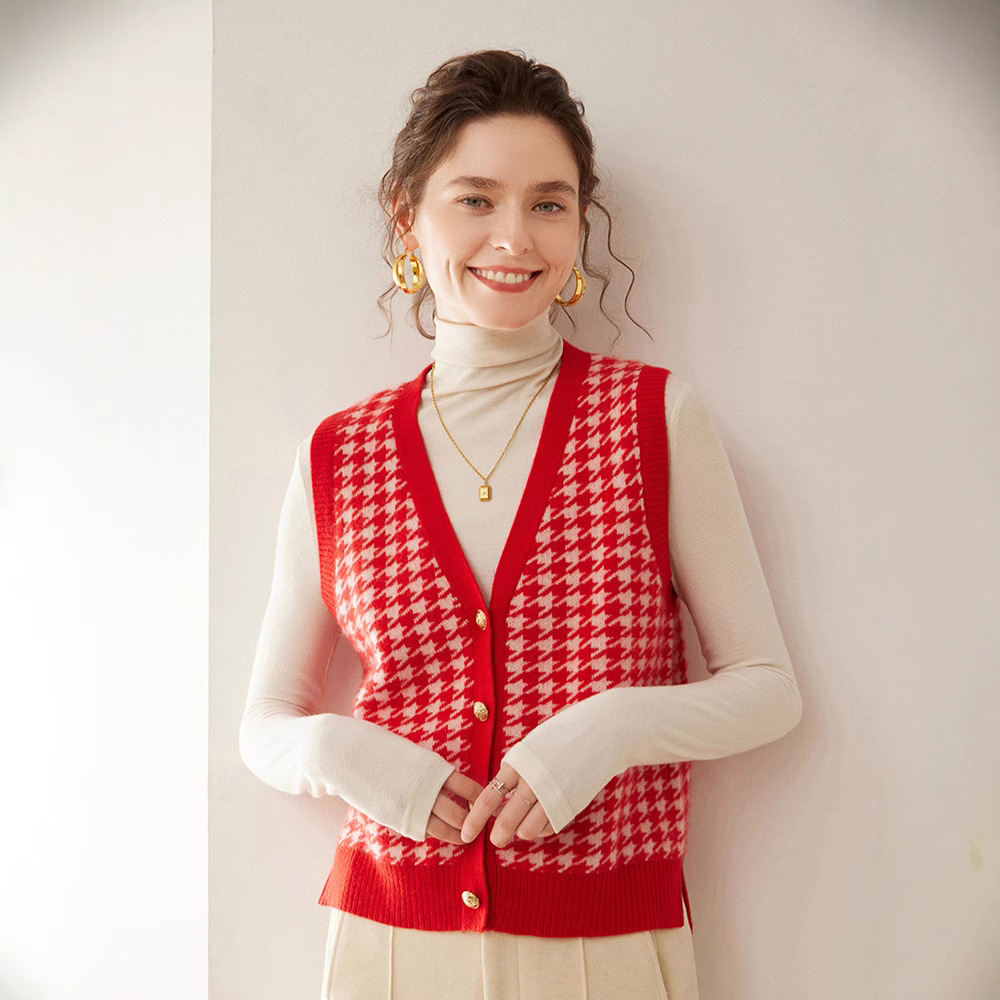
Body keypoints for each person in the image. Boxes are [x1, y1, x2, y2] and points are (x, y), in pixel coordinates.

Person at [239, 49, 802, 1000]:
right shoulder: (339, 454)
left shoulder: (650, 419)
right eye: (475, 199)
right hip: (386, 945)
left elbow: (768, 690)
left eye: (549, 203)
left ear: (579, 223)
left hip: (606, 944)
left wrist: (612, 728)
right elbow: (266, 725)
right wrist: (339, 752)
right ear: (408, 217)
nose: (514, 236)